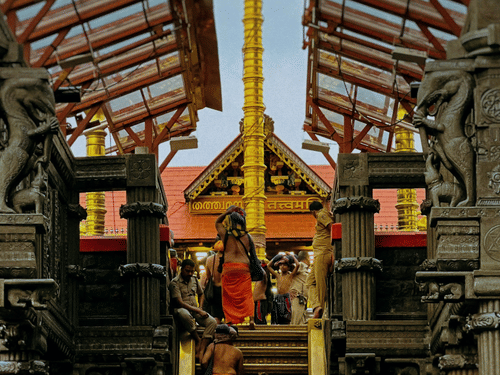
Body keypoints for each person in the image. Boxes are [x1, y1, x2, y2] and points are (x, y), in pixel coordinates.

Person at [215, 205, 255, 329]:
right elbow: (253, 255)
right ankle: (252, 319)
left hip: (229, 268)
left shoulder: (225, 235)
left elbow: (217, 222)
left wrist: (227, 212)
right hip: (244, 268)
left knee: (228, 296)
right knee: (247, 295)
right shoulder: (248, 237)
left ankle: (229, 320)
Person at [169, 258, 217, 360]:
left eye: (192, 271)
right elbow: (180, 303)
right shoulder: (175, 283)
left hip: (195, 310)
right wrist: (198, 310)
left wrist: (200, 307)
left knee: (212, 322)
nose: (190, 273)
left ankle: (202, 347)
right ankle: (197, 339)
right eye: (187, 271)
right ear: (181, 269)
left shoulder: (194, 279)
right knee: (184, 313)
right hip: (181, 310)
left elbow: (201, 294)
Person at [306, 201, 334, 319]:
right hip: (319, 254)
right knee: (309, 282)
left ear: (313, 212)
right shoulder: (323, 214)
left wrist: (333, 250)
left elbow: (332, 227)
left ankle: (321, 313)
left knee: (320, 284)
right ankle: (317, 306)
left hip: (323, 254)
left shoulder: (322, 215)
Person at [267, 253, 299, 325]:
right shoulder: (277, 275)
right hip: (278, 297)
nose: (282, 266)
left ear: (288, 267)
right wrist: (276, 257)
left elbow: (298, 265)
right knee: (276, 316)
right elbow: (268, 266)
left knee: (286, 316)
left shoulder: (290, 275)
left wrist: (292, 256)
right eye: (280, 265)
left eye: (284, 265)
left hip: (286, 297)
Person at [204, 237, 225, 324]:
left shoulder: (209, 259)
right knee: (228, 315)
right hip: (226, 289)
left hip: (215, 290)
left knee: (216, 316)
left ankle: (217, 334)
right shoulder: (230, 259)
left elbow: (208, 276)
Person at [290, 251, 310, 325]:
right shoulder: (301, 265)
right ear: (307, 258)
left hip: (302, 300)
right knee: (296, 322)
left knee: (300, 321)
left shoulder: (303, 269)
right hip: (297, 298)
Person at [253, 260, 271, 325]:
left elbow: (264, 274)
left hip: (260, 301)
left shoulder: (264, 279)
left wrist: (259, 265)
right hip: (256, 302)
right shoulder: (258, 280)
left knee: (260, 321)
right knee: (257, 321)